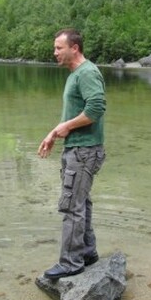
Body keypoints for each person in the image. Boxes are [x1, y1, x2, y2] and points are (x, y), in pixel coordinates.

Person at [38, 28, 106, 279]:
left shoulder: (87, 73)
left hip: (83, 151)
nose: (55, 52)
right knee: (81, 202)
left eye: (59, 48)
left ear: (74, 48)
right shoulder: (76, 74)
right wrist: (54, 133)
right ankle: (87, 253)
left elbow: (96, 108)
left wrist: (66, 127)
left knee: (71, 207)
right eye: (55, 48)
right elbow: (74, 114)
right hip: (79, 149)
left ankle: (70, 263)